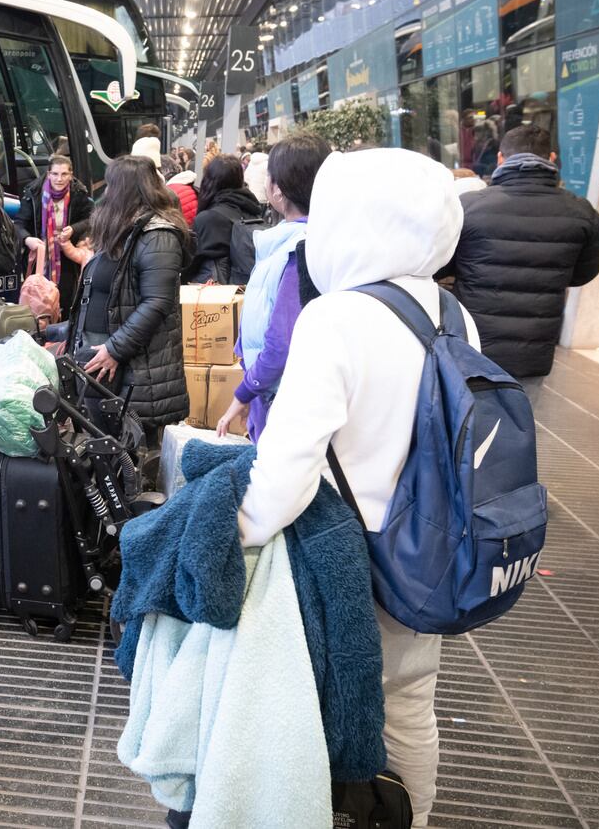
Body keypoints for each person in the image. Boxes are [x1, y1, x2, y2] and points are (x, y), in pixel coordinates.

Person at [237, 147, 478, 829]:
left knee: (321, 711)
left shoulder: (336, 319)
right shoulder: (452, 312)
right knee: (409, 704)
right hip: (429, 554)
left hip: (344, 562)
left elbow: (284, 471)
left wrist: (233, 535)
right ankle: (412, 818)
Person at [441, 124, 599, 380]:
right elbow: (583, 274)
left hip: (473, 342)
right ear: (551, 158)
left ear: (500, 159)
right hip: (534, 346)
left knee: (469, 414)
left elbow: (442, 266)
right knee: (523, 414)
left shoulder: (469, 207)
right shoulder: (582, 212)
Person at [65, 155, 189, 433]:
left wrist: (114, 349)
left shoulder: (158, 235)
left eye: (110, 185)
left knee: (128, 460)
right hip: (107, 366)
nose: (105, 193)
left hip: (133, 370)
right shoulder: (124, 230)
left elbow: (157, 302)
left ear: (125, 189)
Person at [222, 132, 331, 442]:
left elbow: (282, 341)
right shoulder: (314, 244)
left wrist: (246, 392)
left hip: (282, 401)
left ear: (277, 190)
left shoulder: (298, 253)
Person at [14, 155, 94, 316]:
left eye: (64, 174)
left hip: (67, 258)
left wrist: (73, 229)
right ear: (48, 174)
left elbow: (90, 219)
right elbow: (19, 224)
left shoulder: (78, 193)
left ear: (71, 175)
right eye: (55, 174)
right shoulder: (33, 192)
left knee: (64, 300)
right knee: (37, 301)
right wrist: (27, 239)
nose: (59, 179)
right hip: (39, 257)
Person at [187, 153, 264, 285]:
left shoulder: (207, 219)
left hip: (216, 298)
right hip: (249, 291)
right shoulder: (254, 212)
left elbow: (190, 264)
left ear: (210, 180)